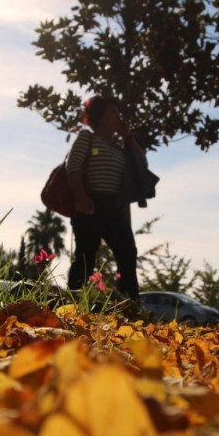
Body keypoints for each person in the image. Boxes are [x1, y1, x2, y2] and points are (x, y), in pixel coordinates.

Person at [66, 95, 147, 299]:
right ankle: (72, 304)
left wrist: (127, 136)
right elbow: (73, 165)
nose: (117, 116)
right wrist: (80, 197)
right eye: (112, 112)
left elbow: (141, 162)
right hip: (90, 204)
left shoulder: (120, 148)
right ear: (99, 117)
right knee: (85, 257)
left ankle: (131, 303)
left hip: (114, 207)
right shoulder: (87, 137)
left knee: (128, 252)